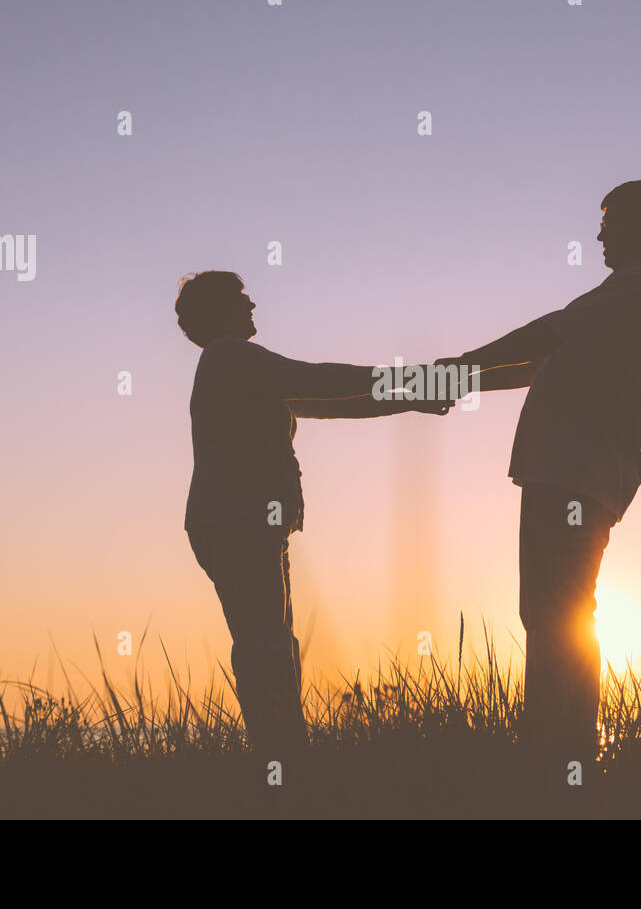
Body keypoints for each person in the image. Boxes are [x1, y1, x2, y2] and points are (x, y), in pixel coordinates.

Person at [438, 180, 641, 765]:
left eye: (610, 222)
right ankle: (557, 748)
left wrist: (458, 367)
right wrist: (456, 380)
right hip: (568, 472)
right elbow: (543, 359)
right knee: (551, 611)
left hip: (576, 473)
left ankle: (559, 752)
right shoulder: (624, 295)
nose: (598, 234)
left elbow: (547, 333)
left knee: (559, 612)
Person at [176, 270, 449, 755]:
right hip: (237, 521)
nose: (253, 304)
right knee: (267, 645)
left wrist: (414, 397)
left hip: (243, 522)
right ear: (218, 312)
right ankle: (279, 764)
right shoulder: (230, 354)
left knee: (274, 643)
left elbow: (329, 400)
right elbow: (320, 378)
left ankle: (284, 759)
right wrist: (419, 383)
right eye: (242, 299)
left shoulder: (240, 369)